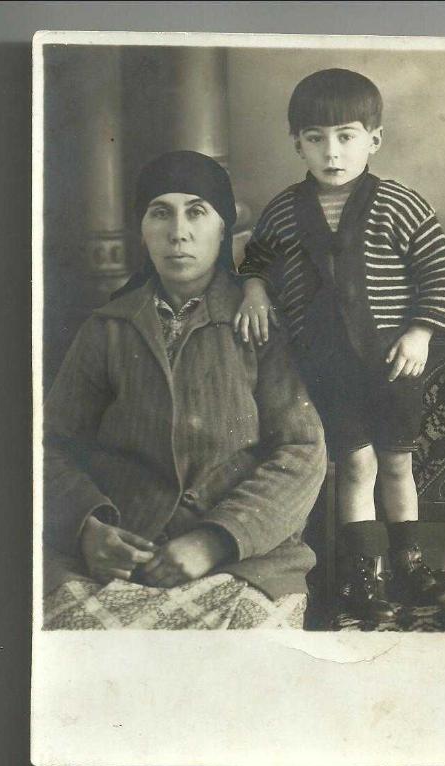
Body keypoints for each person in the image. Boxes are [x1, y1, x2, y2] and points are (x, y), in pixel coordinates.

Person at [43, 150, 327, 631]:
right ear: (142, 230)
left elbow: (302, 450)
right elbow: (49, 447)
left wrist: (214, 540)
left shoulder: (259, 325)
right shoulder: (107, 328)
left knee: (238, 652)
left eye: (197, 212)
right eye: (160, 213)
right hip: (122, 556)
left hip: (243, 562)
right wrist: (88, 530)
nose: (178, 232)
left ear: (224, 228)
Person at [233, 69, 445, 623]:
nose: (331, 152)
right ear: (298, 144)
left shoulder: (400, 205)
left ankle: (409, 564)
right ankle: (364, 575)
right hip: (327, 365)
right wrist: (254, 288)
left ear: (373, 140)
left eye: (346, 136)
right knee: (356, 465)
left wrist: (420, 331)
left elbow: (441, 275)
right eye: (316, 138)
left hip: (392, 363)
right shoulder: (285, 211)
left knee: (396, 463)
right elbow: (257, 258)